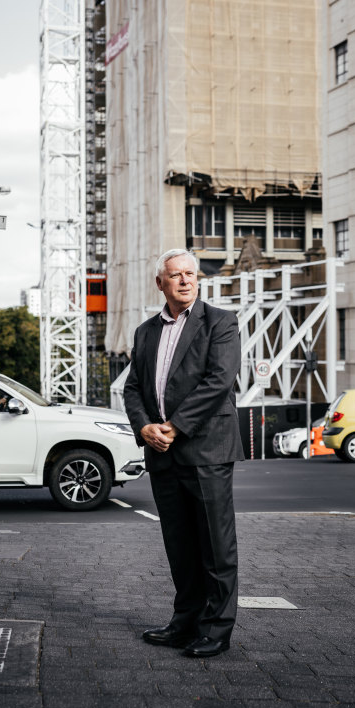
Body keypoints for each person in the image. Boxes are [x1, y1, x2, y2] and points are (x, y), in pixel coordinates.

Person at [124, 249, 244, 658]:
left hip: (207, 449)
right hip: (162, 454)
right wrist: (144, 427)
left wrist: (173, 427)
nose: (185, 281)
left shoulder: (221, 323)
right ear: (161, 283)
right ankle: (185, 621)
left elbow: (219, 381)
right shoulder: (145, 332)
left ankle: (215, 629)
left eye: (190, 274)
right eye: (175, 275)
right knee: (180, 546)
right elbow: (132, 388)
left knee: (215, 545)